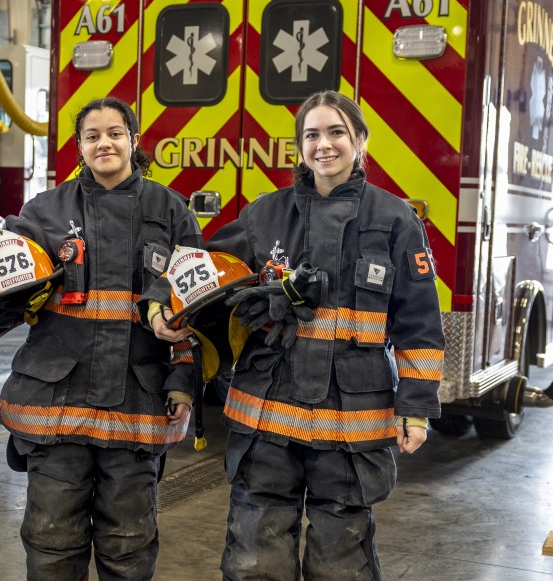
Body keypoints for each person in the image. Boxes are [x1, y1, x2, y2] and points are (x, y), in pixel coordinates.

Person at [0, 96, 202, 581]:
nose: (105, 143)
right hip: (56, 410)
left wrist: (183, 382)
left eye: (115, 133)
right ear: (79, 148)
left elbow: (194, 308)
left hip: (135, 411)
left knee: (129, 548)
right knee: (53, 544)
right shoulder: (47, 211)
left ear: (133, 141)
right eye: (93, 136)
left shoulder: (170, 212)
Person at [185, 90, 444, 580]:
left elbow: (419, 323)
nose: (324, 145)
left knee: (341, 559)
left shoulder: (395, 220)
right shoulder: (265, 214)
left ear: (361, 141)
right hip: (268, 414)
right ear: (300, 146)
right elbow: (206, 268)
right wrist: (163, 298)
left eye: (336, 132)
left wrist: (415, 407)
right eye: (312, 135)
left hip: (353, 418)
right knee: (255, 553)